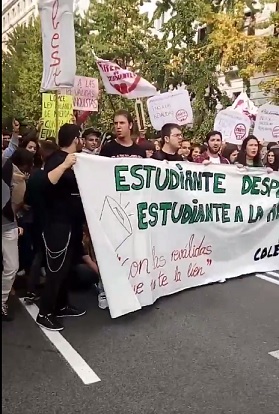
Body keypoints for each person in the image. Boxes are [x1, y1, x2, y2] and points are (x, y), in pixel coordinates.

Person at [36, 123, 86, 331]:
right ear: (75, 139)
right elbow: (47, 182)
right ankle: (44, 312)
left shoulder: (77, 160)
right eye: (80, 137)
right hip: (57, 224)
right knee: (56, 269)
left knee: (66, 268)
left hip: (71, 223)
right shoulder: (56, 159)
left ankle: (61, 305)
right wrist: (65, 165)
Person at [24, 140, 59, 303]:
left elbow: (28, 200)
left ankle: (32, 289)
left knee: (40, 255)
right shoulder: (53, 177)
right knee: (52, 257)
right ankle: (51, 292)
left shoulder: (35, 175)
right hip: (52, 221)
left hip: (37, 221)